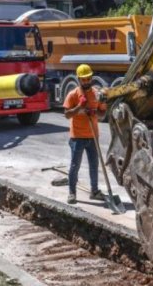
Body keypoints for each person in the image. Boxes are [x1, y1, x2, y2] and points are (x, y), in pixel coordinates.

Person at [63, 64, 107, 204]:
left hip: (93, 136)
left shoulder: (96, 94)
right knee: (75, 165)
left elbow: (102, 113)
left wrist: (95, 112)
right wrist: (79, 107)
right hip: (77, 137)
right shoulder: (73, 95)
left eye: (88, 78)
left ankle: (94, 191)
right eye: (83, 79)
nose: (86, 81)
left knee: (94, 165)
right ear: (78, 79)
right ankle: (72, 193)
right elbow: (67, 115)